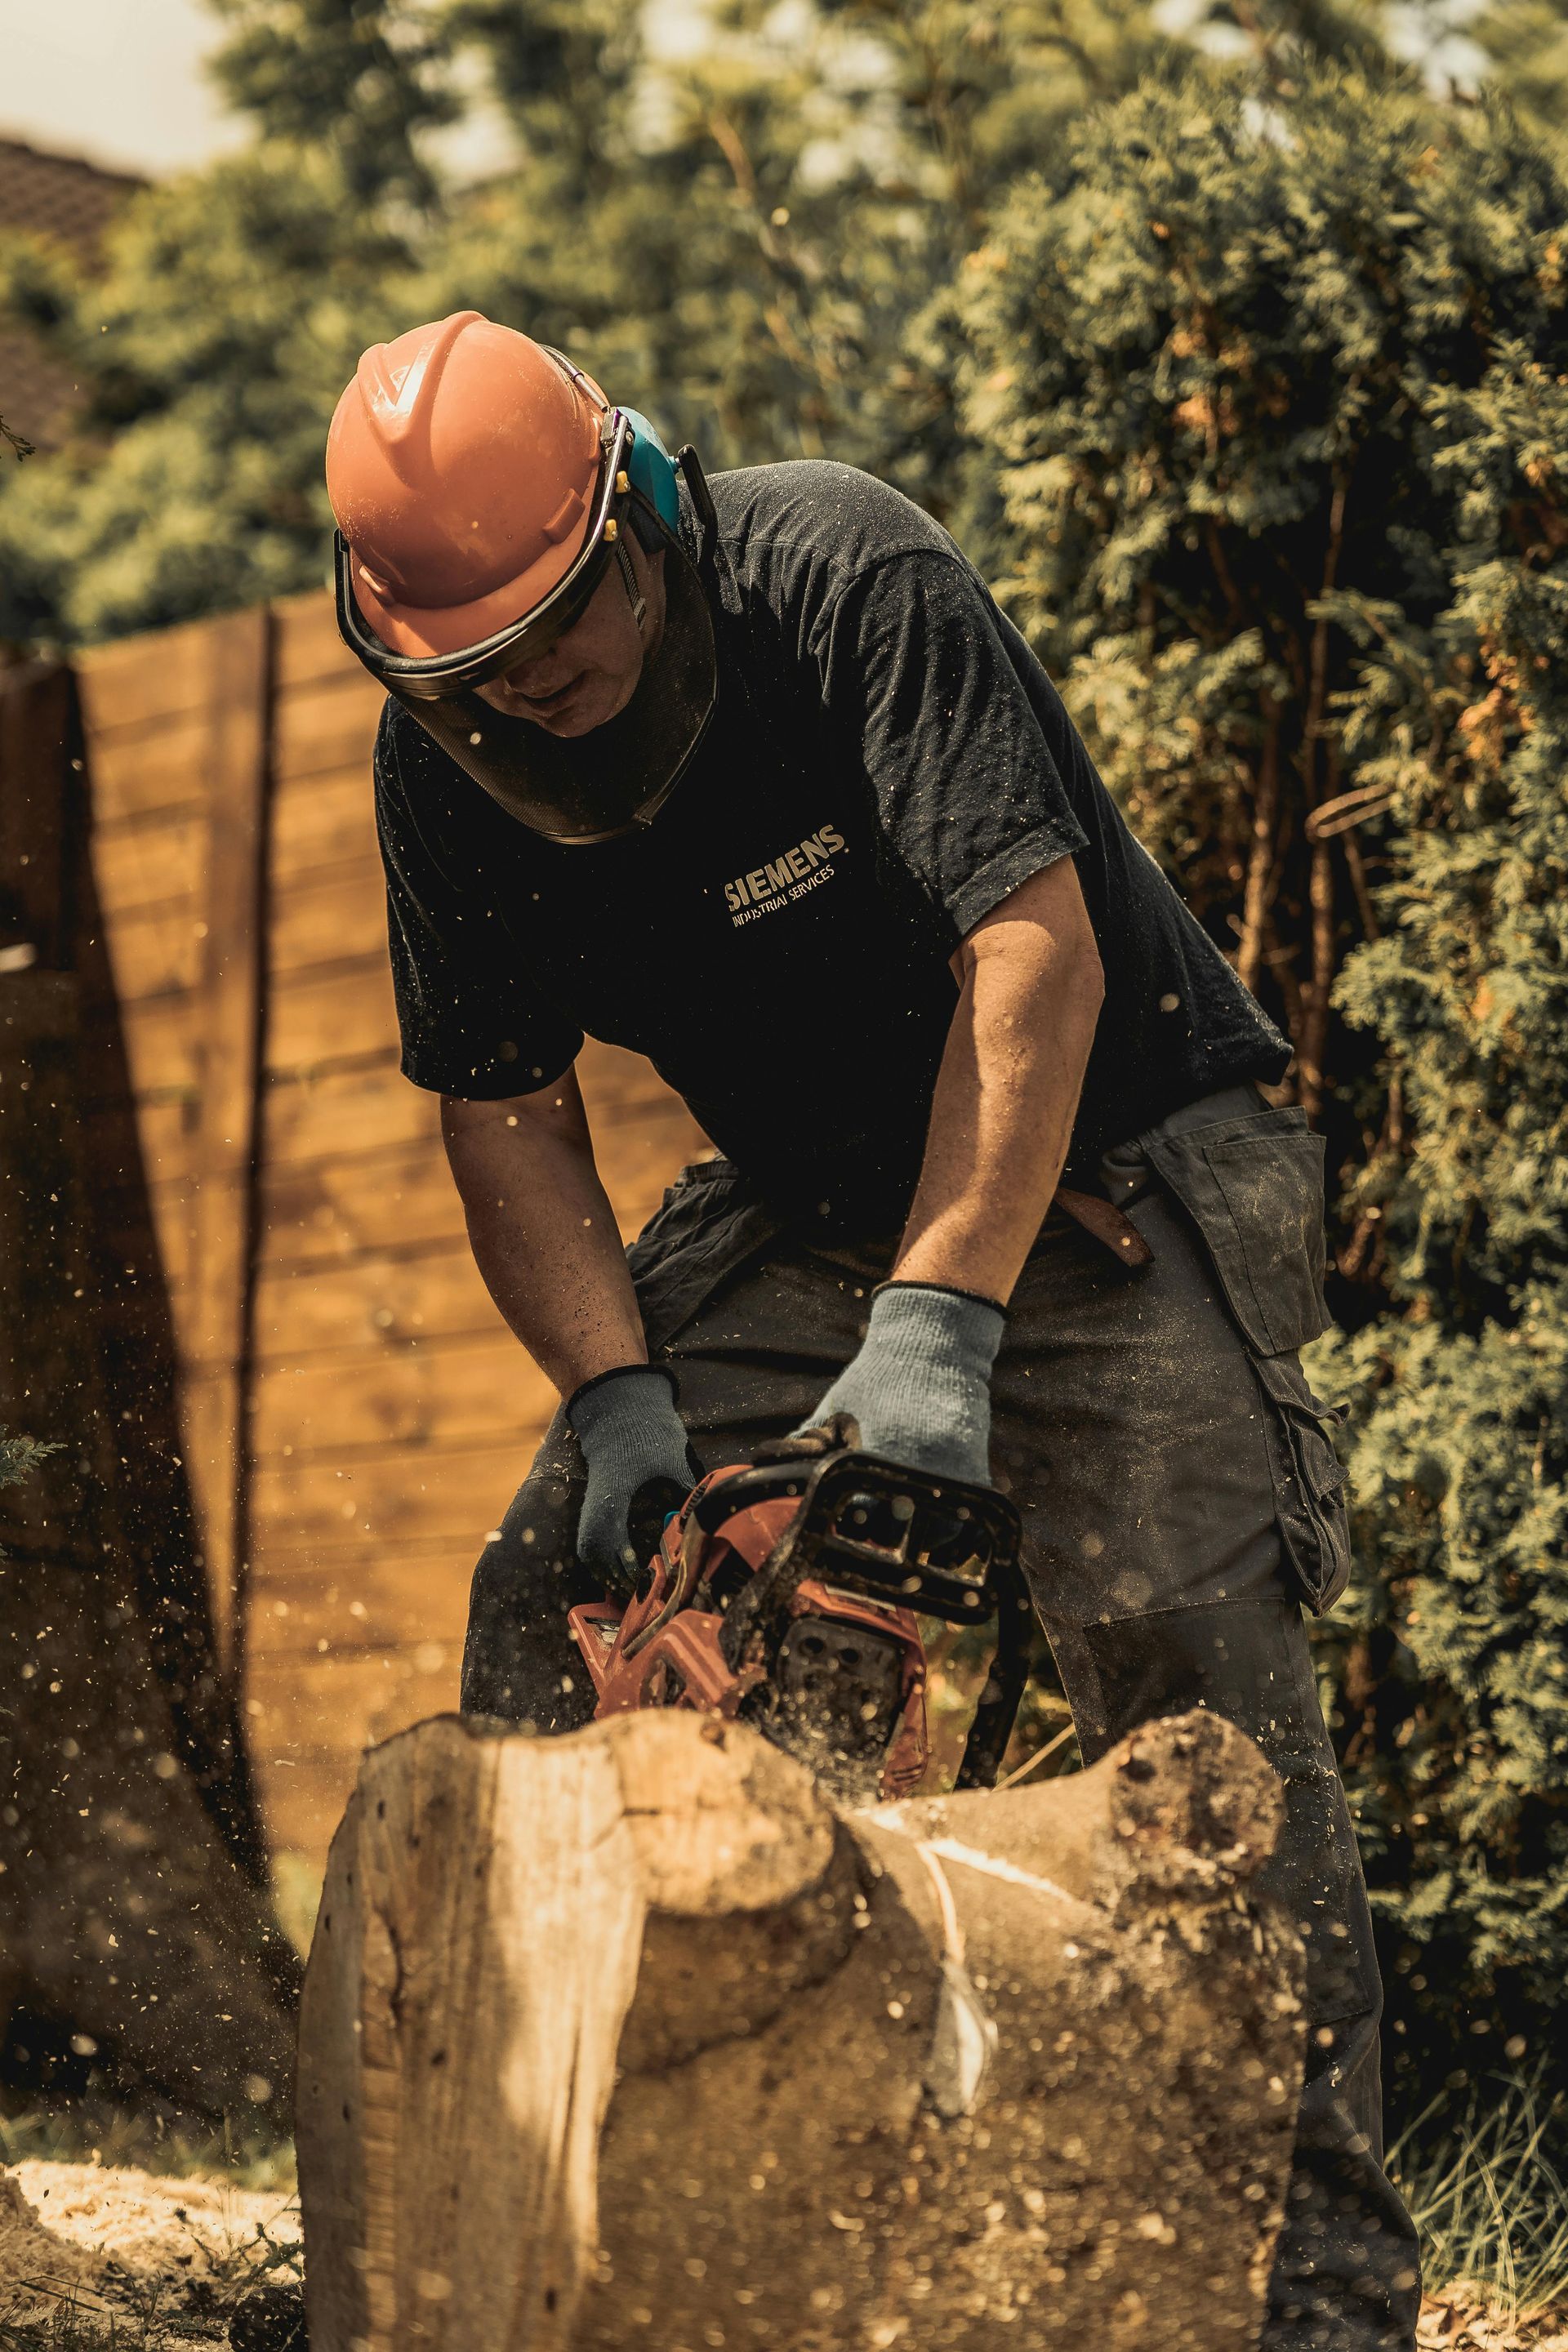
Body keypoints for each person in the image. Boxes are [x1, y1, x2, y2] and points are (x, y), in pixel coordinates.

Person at [326, 309, 1419, 2349]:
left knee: (1192, 1691)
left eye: (556, 638)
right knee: (547, 1579)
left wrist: (938, 1338)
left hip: (1120, 1135)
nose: (533, 701)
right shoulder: (448, 776)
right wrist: (624, 1395)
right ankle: (536, 2212)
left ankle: (1316, 2295)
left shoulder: (840, 576)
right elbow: (502, 1109)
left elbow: (1036, 949)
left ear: (639, 523)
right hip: (815, 1192)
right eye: (471, 677)